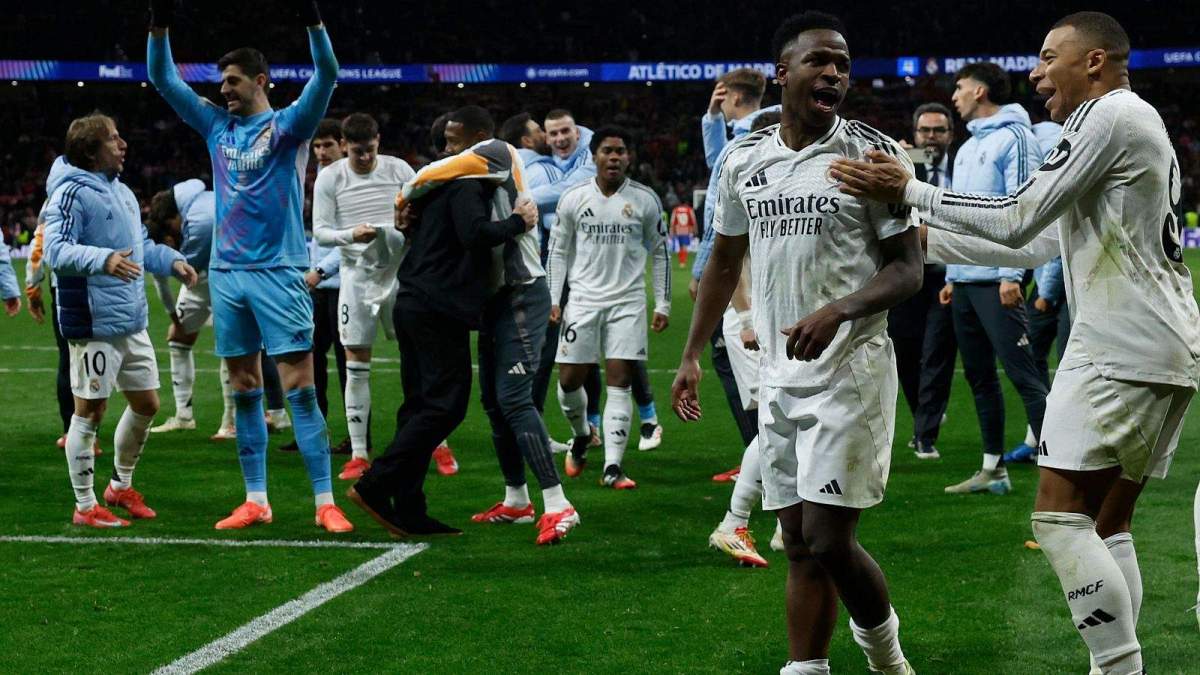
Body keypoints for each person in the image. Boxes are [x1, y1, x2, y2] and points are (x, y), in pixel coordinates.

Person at [831, 12, 1200, 673]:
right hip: (1162, 346)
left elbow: (1019, 212)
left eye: (1048, 56)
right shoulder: (1132, 122)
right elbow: (1036, 242)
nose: (1034, 72)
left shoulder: (1107, 116)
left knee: (1059, 520)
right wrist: (925, 241)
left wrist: (911, 189)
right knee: (1107, 523)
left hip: (1119, 345)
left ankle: (1119, 667)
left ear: (1094, 61)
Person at [674, 12, 921, 674]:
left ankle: (889, 660)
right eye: (819, 61)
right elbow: (724, 260)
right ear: (783, 74)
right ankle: (805, 666)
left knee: (827, 537)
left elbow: (908, 268)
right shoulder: (743, 159)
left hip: (852, 372)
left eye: (843, 63)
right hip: (777, 375)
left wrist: (839, 309)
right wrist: (694, 355)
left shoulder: (873, 155)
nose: (835, 73)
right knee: (794, 542)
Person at [147, 0, 353, 533]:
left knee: (301, 387)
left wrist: (312, 20)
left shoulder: (289, 127)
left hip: (279, 271)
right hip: (228, 273)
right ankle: (256, 499)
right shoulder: (217, 127)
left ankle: (324, 501)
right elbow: (161, 78)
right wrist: (160, 23)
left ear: (260, 80)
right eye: (221, 83)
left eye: (234, 81)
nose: (224, 90)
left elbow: (328, 72)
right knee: (242, 385)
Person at [349, 107, 539, 537]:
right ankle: (378, 483)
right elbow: (474, 234)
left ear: (477, 139)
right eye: (448, 145)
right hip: (438, 307)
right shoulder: (467, 184)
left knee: (418, 405)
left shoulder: (430, 190)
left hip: (415, 300)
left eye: (453, 144)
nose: (447, 153)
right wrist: (517, 222)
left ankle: (410, 507)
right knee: (446, 405)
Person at [43, 113, 198, 527]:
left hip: (131, 320)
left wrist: (173, 260)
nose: (123, 144)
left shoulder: (123, 192)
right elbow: (55, 251)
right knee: (89, 412)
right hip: (93, 321)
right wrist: (103, 260)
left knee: (147, 404)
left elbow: (142, 246)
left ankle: (119, 486)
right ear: (92, 152)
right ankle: (84, 505)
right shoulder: (70, 193)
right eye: (114, 139)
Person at [940, 61, 1047, 494]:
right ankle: (993, 470)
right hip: (965, 281)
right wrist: (951, 272)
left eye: (960, 88)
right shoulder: (965, 147)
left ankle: (1066, 473)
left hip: (997, 280)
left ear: (980, 91)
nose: (955, 96)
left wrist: (1011, 275)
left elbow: (1024, 210)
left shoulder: (1016, 138)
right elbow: (954, 216)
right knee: (980, 377)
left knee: (1025, 377)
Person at [549, 126, 670, 490]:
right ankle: (582, 434)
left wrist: (662, 301)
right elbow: (558, 251)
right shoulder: (573, 198)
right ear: (594, 156)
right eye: (607, 151)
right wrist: (554, 298)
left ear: (629, 157)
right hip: (583, 301)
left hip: (627, 303)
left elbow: (661, 252)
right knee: (569, 380)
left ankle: (613, 467)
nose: (614, 157)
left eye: (620, 151)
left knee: (620, 380)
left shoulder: (646, 200)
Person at [312, 112, 414, 481]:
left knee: (416, 356)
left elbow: (420, 213)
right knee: (355, 359)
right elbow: (321, 232)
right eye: (357, 152)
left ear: (378, 141)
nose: (365, 158)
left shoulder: (400, 170)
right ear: (344, 146)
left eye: (370, 150)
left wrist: (402, 226)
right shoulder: (330, 177)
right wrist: (351, 235)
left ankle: (435, 443)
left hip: (400, 275)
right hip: (355, 277)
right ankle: (358, 453)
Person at [694, 68, 782, 478]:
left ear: (732, 95)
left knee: (746, 363)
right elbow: (717, 170)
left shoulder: (753, 135)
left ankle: (763, 459)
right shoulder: (766, 128)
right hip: (752, 267)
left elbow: (721, 207)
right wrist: (712, 119)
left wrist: (704, 268)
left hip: (743, 270)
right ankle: (758, 458)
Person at [142, 179, 242, 439]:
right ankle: (184, 416)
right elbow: (163, 286)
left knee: (230, 346)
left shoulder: (199, 219)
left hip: (226, 278)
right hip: (202, 282)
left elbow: (185, 272)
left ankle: (230, 421)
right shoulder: (165, 237)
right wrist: (175, 319)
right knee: (178, 339)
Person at [887, 102, 957, 459]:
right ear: (914, 134)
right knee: (906, 352)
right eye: (924, 131)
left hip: (947, 275)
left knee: (936, 355)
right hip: (906, 272)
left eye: (938, 131)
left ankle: (925, 434)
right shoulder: (901, 163)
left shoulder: (964, 164)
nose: (931, 138)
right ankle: (924, 417)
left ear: (950, 135)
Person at [27, 158, 102, 455]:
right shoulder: (98, 193)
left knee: (68, 360)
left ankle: (70, 430)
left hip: (63, 289)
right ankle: (89, 433)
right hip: (94, 286)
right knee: (93, 360)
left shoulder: (53, 198)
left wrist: (33, 289)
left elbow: (38, 247)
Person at [290, 117, 350, 456]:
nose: (321, 152)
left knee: (347, 364)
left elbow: (355, 239)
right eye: (317, 146)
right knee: (312, 361)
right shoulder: (319, 180)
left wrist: (321, 271)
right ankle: (315, 434)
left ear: (343, 144)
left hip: (342, 284)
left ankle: (358, 440)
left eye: (328, 145)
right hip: (318, 285)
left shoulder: (349, 181)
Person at [669, 201, 696, 267]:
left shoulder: (676, 209)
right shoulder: (689, 209)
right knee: (684, 246)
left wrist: (671, 231)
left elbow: (672, 222)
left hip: (678, 230)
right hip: (686, 230)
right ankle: (682, 262)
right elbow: (693, 220)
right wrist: (695, 230)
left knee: (680, 246)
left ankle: (681, 261)